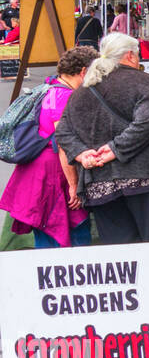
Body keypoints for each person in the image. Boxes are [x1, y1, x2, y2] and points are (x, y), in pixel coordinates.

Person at [55, 33, 149, 244]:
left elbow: (62, 132)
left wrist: (81, 153)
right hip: (143, 178)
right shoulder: (143, 81)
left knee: (120, 254)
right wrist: (115, 149)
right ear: (130, 56)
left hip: (98, 182)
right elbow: (148, 122)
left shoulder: (84, 88)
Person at [0, 46, 99, 247]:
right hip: (54, 173)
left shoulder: (49, 88)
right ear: (83, 72)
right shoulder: (65, 96)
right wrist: (73, 185)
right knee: (70, 236)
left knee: (46, 236)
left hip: (37, 172)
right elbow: (64, 143)